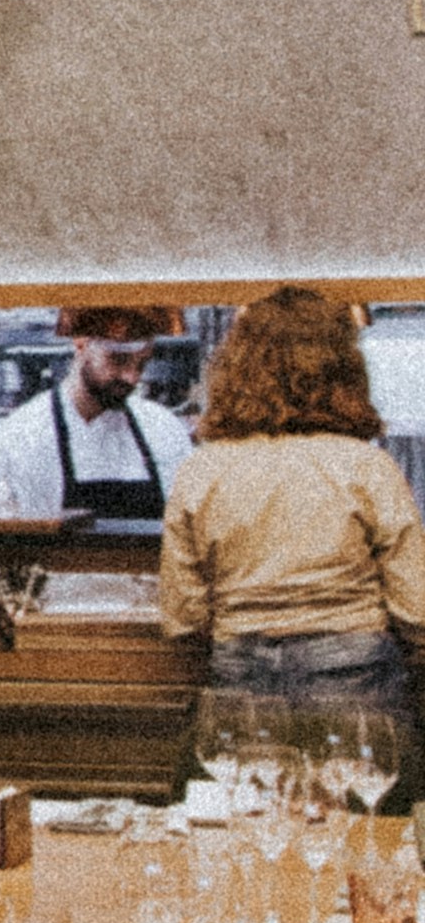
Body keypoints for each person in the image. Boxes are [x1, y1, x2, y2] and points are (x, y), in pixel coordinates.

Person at [159, 284, 425, 770]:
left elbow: (183, 617)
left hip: (240, 689)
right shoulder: (366, 467)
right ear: (345, 371)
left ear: (236, 369)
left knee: (249, 834)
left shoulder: (203, 469)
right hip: (356, 685)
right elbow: (417, 610)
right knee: (359, 834)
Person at [0, 302, 197, 528]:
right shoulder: (23, 436)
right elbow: (13, 540)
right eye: (118, 360)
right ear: (81, 343)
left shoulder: (164, 429)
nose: (131, 378)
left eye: (141, 365)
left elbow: (184, 529)